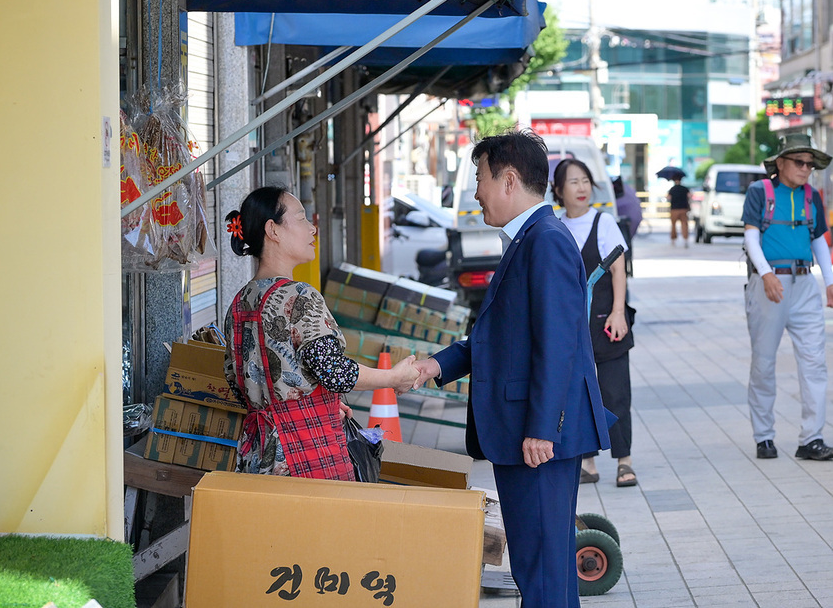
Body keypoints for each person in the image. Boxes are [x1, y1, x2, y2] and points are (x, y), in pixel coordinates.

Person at [414, 130, 611, 608]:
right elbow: (498, 338)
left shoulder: (545, 241)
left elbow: (558, 345)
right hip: (528, 431)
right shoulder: (528, 238)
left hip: (536, 437)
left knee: (540, 568)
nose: (476, 192)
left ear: (508, 180)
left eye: (479, 178)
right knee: (544, 566)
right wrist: (432, 366)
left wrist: (542, 429)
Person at [223, 187, 419, 479]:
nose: (312, 228)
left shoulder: (239, 302)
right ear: (273, 230)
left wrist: (315, 404)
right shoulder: (298, 295)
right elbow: (335, 373)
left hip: (257, 458)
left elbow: (239, 383)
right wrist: (393, 378)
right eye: (301, 218)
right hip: (307, 457)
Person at [742, 134, 833, 461]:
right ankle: (764, 437)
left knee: (815, 362)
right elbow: (751, 237)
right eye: (800, 162)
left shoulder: (811, 196)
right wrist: (766, 274)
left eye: (810, 164)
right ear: (780, 163)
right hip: (770, 285)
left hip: (805, 284)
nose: (806, 169)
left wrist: (829, 281)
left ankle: (812, 439)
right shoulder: (760, 192)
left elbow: (818, 239)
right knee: (764, 362)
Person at [553, 159, 637, 487]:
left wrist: (618, 312)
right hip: (571, 328)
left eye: (586, 180)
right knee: (578, 394)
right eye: (573, 181)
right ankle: (586, 462)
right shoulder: (555, 227)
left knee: (615, 393)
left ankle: (624, 460)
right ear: (558, 190)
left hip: (605, 322)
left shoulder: (604, 222)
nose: (582, 188)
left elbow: (618, 269)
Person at [667, 176, 691, 246]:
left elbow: (668, 197)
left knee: (673, 225)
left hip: (674, 209)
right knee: (684, 224)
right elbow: (690, 196)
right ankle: (685, 239)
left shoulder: (672, 189)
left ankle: (673, 239)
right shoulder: (685, 189)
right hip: (683, 209)